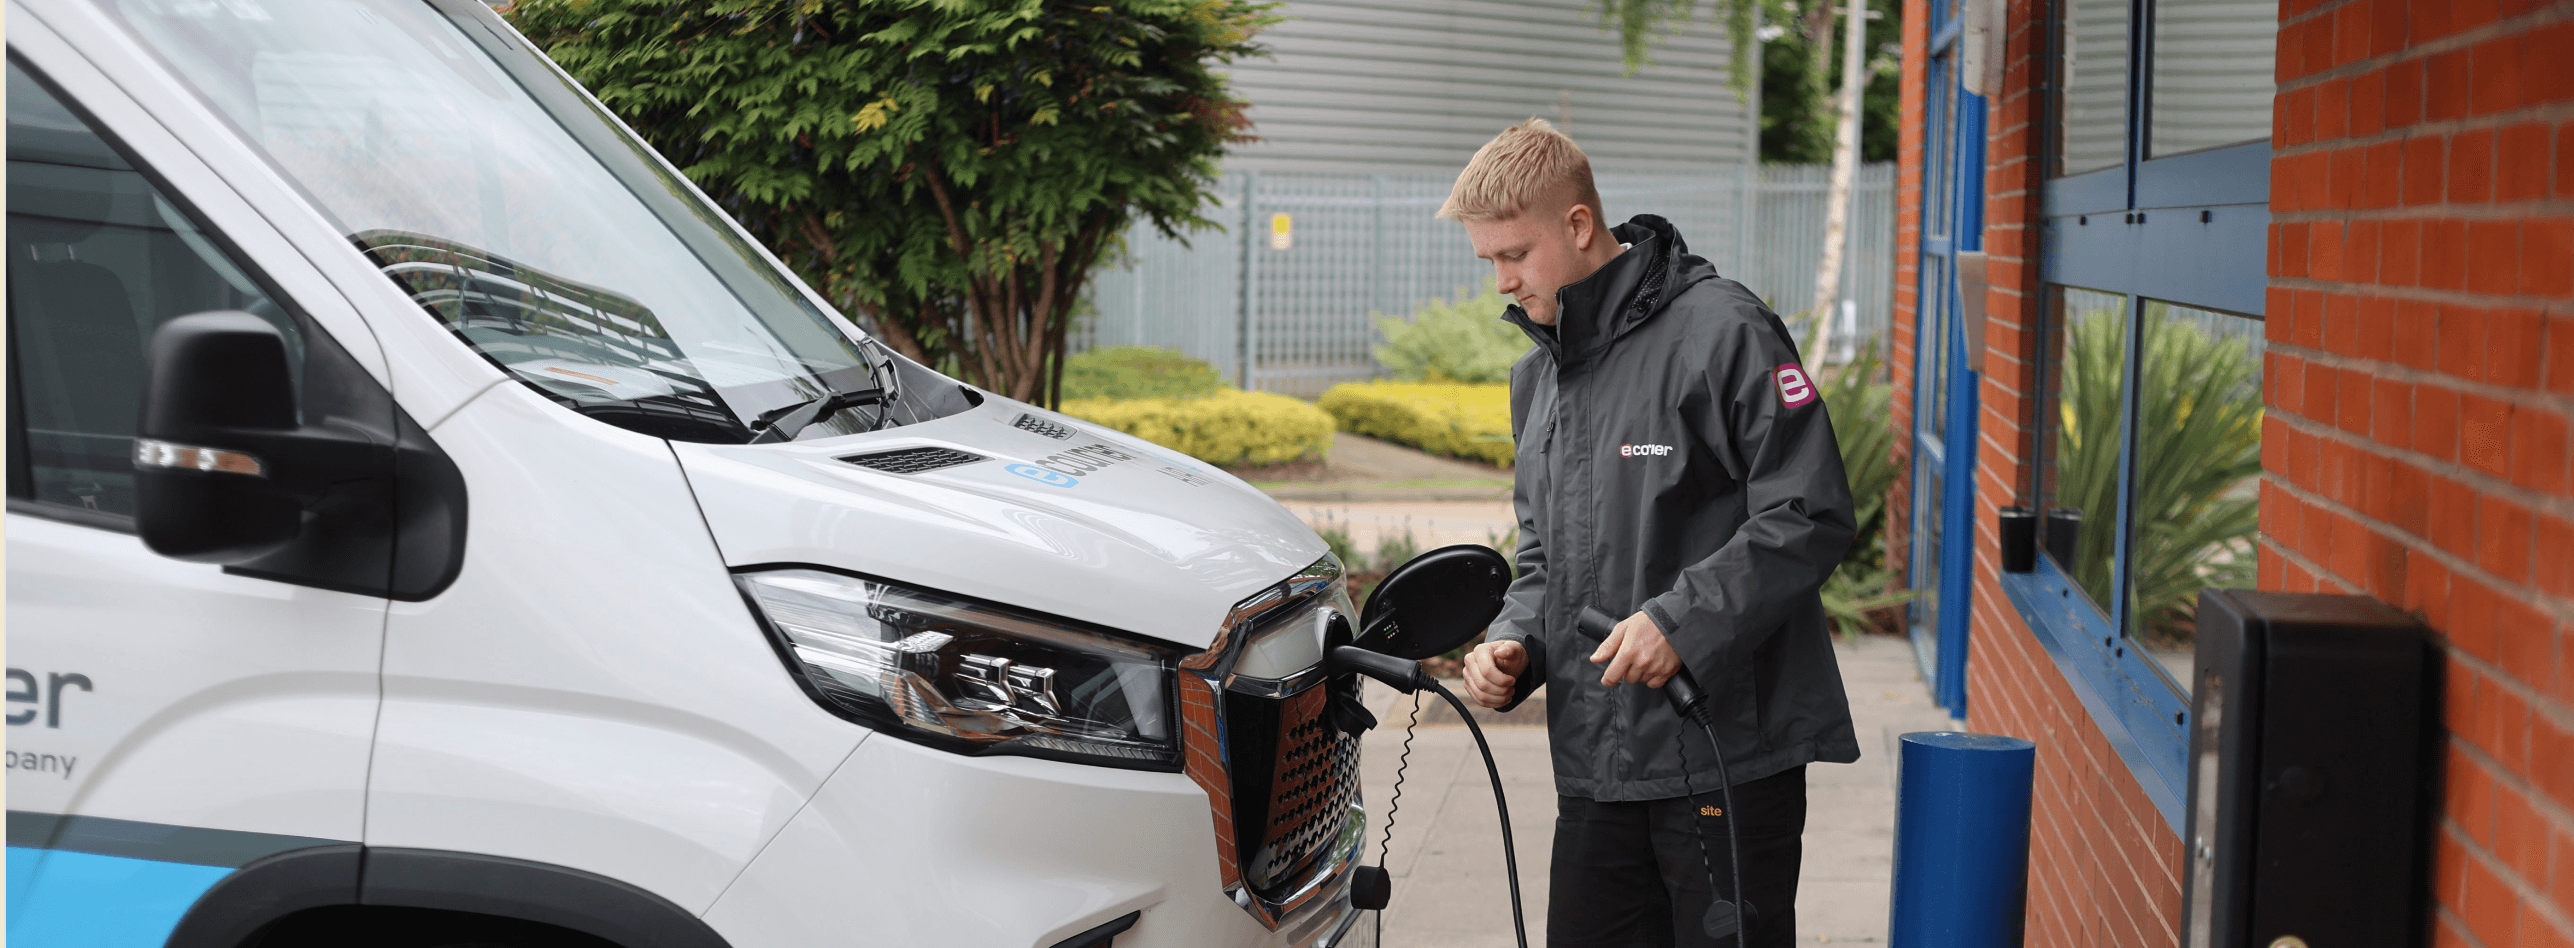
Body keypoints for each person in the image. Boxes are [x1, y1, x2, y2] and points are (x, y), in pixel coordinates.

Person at [1450, 118, 1862, 948]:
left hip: (1725, 759)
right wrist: (1514, 642)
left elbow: (1809, 511)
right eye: (1488, 260)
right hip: (1599, 769)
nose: (1501, 281)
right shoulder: (1538, 378)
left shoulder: (1724, 331)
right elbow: (1542, 555)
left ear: (1577, 224)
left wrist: (1682, 622)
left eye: (1515, 255)